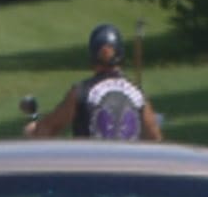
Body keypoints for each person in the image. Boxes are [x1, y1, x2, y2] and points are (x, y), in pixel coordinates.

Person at [24, 24, 163, 141]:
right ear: (120, 54)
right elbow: (155, 138)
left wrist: (34, 130)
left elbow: (49, 128)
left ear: (92, 56)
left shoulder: (80, 93)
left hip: (92, 170)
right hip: (129, 170)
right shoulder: (138, 95)